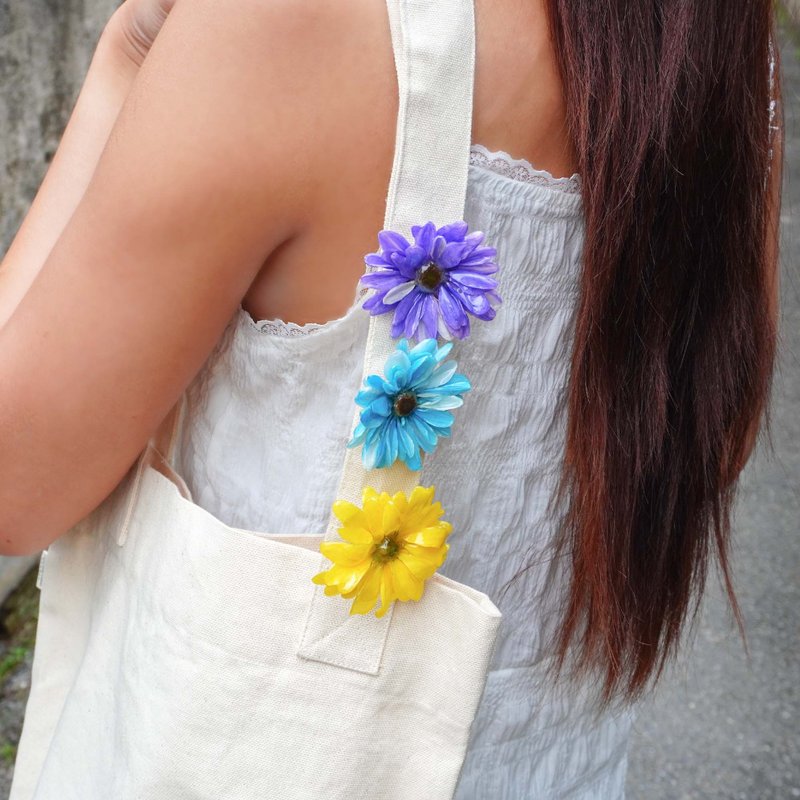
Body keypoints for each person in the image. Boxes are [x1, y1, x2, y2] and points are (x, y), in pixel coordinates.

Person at [0, 0, 782, 797]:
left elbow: (14, 484)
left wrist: (123, 64)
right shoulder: (716, 44)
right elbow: (716, 433)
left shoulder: (294, 26)